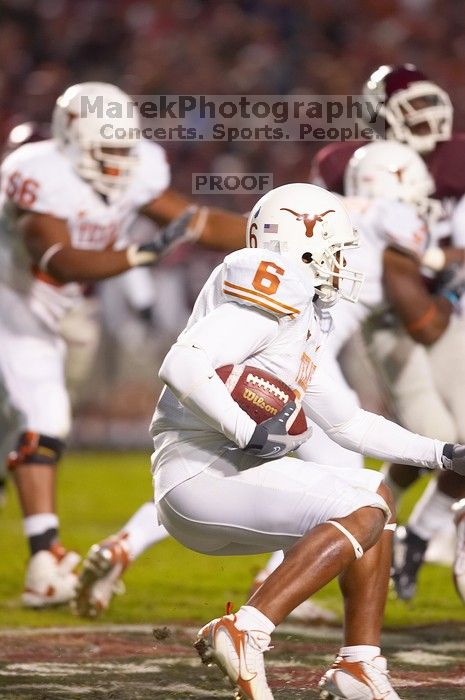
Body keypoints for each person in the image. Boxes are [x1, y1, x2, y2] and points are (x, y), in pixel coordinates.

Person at [150, 182, 465, 700]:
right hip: (199, 474)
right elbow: (182, 363)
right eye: (338, 249)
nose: (346, 261)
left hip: (224, 475)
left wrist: (442, 454)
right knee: (362, 505)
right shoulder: (274, 284)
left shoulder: (301, 316)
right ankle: (247, 628)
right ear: (300, 243)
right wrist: (245, 429)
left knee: (376, 493)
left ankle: (357, 666)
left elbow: (345, 424)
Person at [0, 81, 246, 608]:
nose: (116, 161)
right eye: (104, 149)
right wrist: (138, 255)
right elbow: (56, 261)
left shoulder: (141, 169)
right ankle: (45, 560)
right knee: (47, 416)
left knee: (23, 422)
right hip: (12, 298)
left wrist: (265, 234)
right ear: (70, 140)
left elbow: (191, 221)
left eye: (123, 149)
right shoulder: (37, 172)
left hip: (64, 310)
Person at [311, 64, 465, 602]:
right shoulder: (349, 166)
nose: (426, 120)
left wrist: (443, 260)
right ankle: (308, 546)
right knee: (431, 435)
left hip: (444, 300)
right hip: (388, 309)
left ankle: (420, 531)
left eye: (429, 105)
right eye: (412, 108)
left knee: (455, 434)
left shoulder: (454, 158)